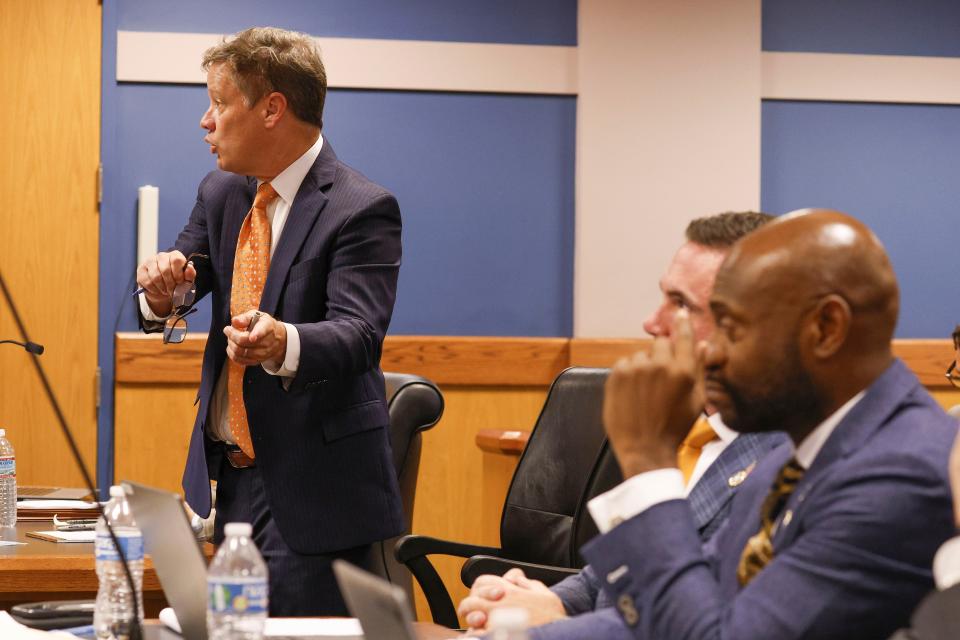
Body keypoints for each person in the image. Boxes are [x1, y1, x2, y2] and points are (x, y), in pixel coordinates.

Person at [570, 209, 955, 640]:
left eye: (732, 329)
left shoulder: (898, 476)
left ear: (826, 328)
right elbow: (683, 609)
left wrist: (649, 464)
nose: (711, 355)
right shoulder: (787, 463)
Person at [134, 27, 403, 616]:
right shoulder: (222, 191)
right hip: (230, 482)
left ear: (272, 109)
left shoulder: (361, 208)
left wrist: (284, 340)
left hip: (316, 493)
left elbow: (359, 335)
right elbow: (183, 285)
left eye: (219, 103)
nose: (206, 121)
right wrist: (160, 291)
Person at [459, 212, 785, 639]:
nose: (653, 322)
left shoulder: (784, 458)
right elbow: (615, 572)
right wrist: (549, 599)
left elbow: (698, 617)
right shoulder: (694, 429)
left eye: (682, 304)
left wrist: (544, 629)